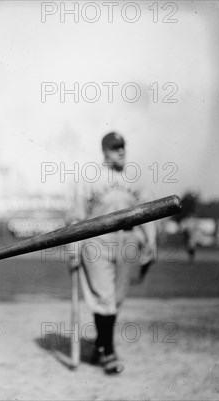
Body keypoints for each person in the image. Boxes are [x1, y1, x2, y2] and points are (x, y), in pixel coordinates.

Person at [68, 131, 157, 375]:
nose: (121, 151)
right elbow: (77, 217)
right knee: (105, 298)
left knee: (115, 300)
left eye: (123, 147)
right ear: (104, 151)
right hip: (96, 239)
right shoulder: (89, 178)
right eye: (115, 147)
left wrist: (151, 241)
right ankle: (108, 351)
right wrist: (72, 248)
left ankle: (100, 343)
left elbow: (149, 212)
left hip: (128, 240)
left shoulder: (135, 178)